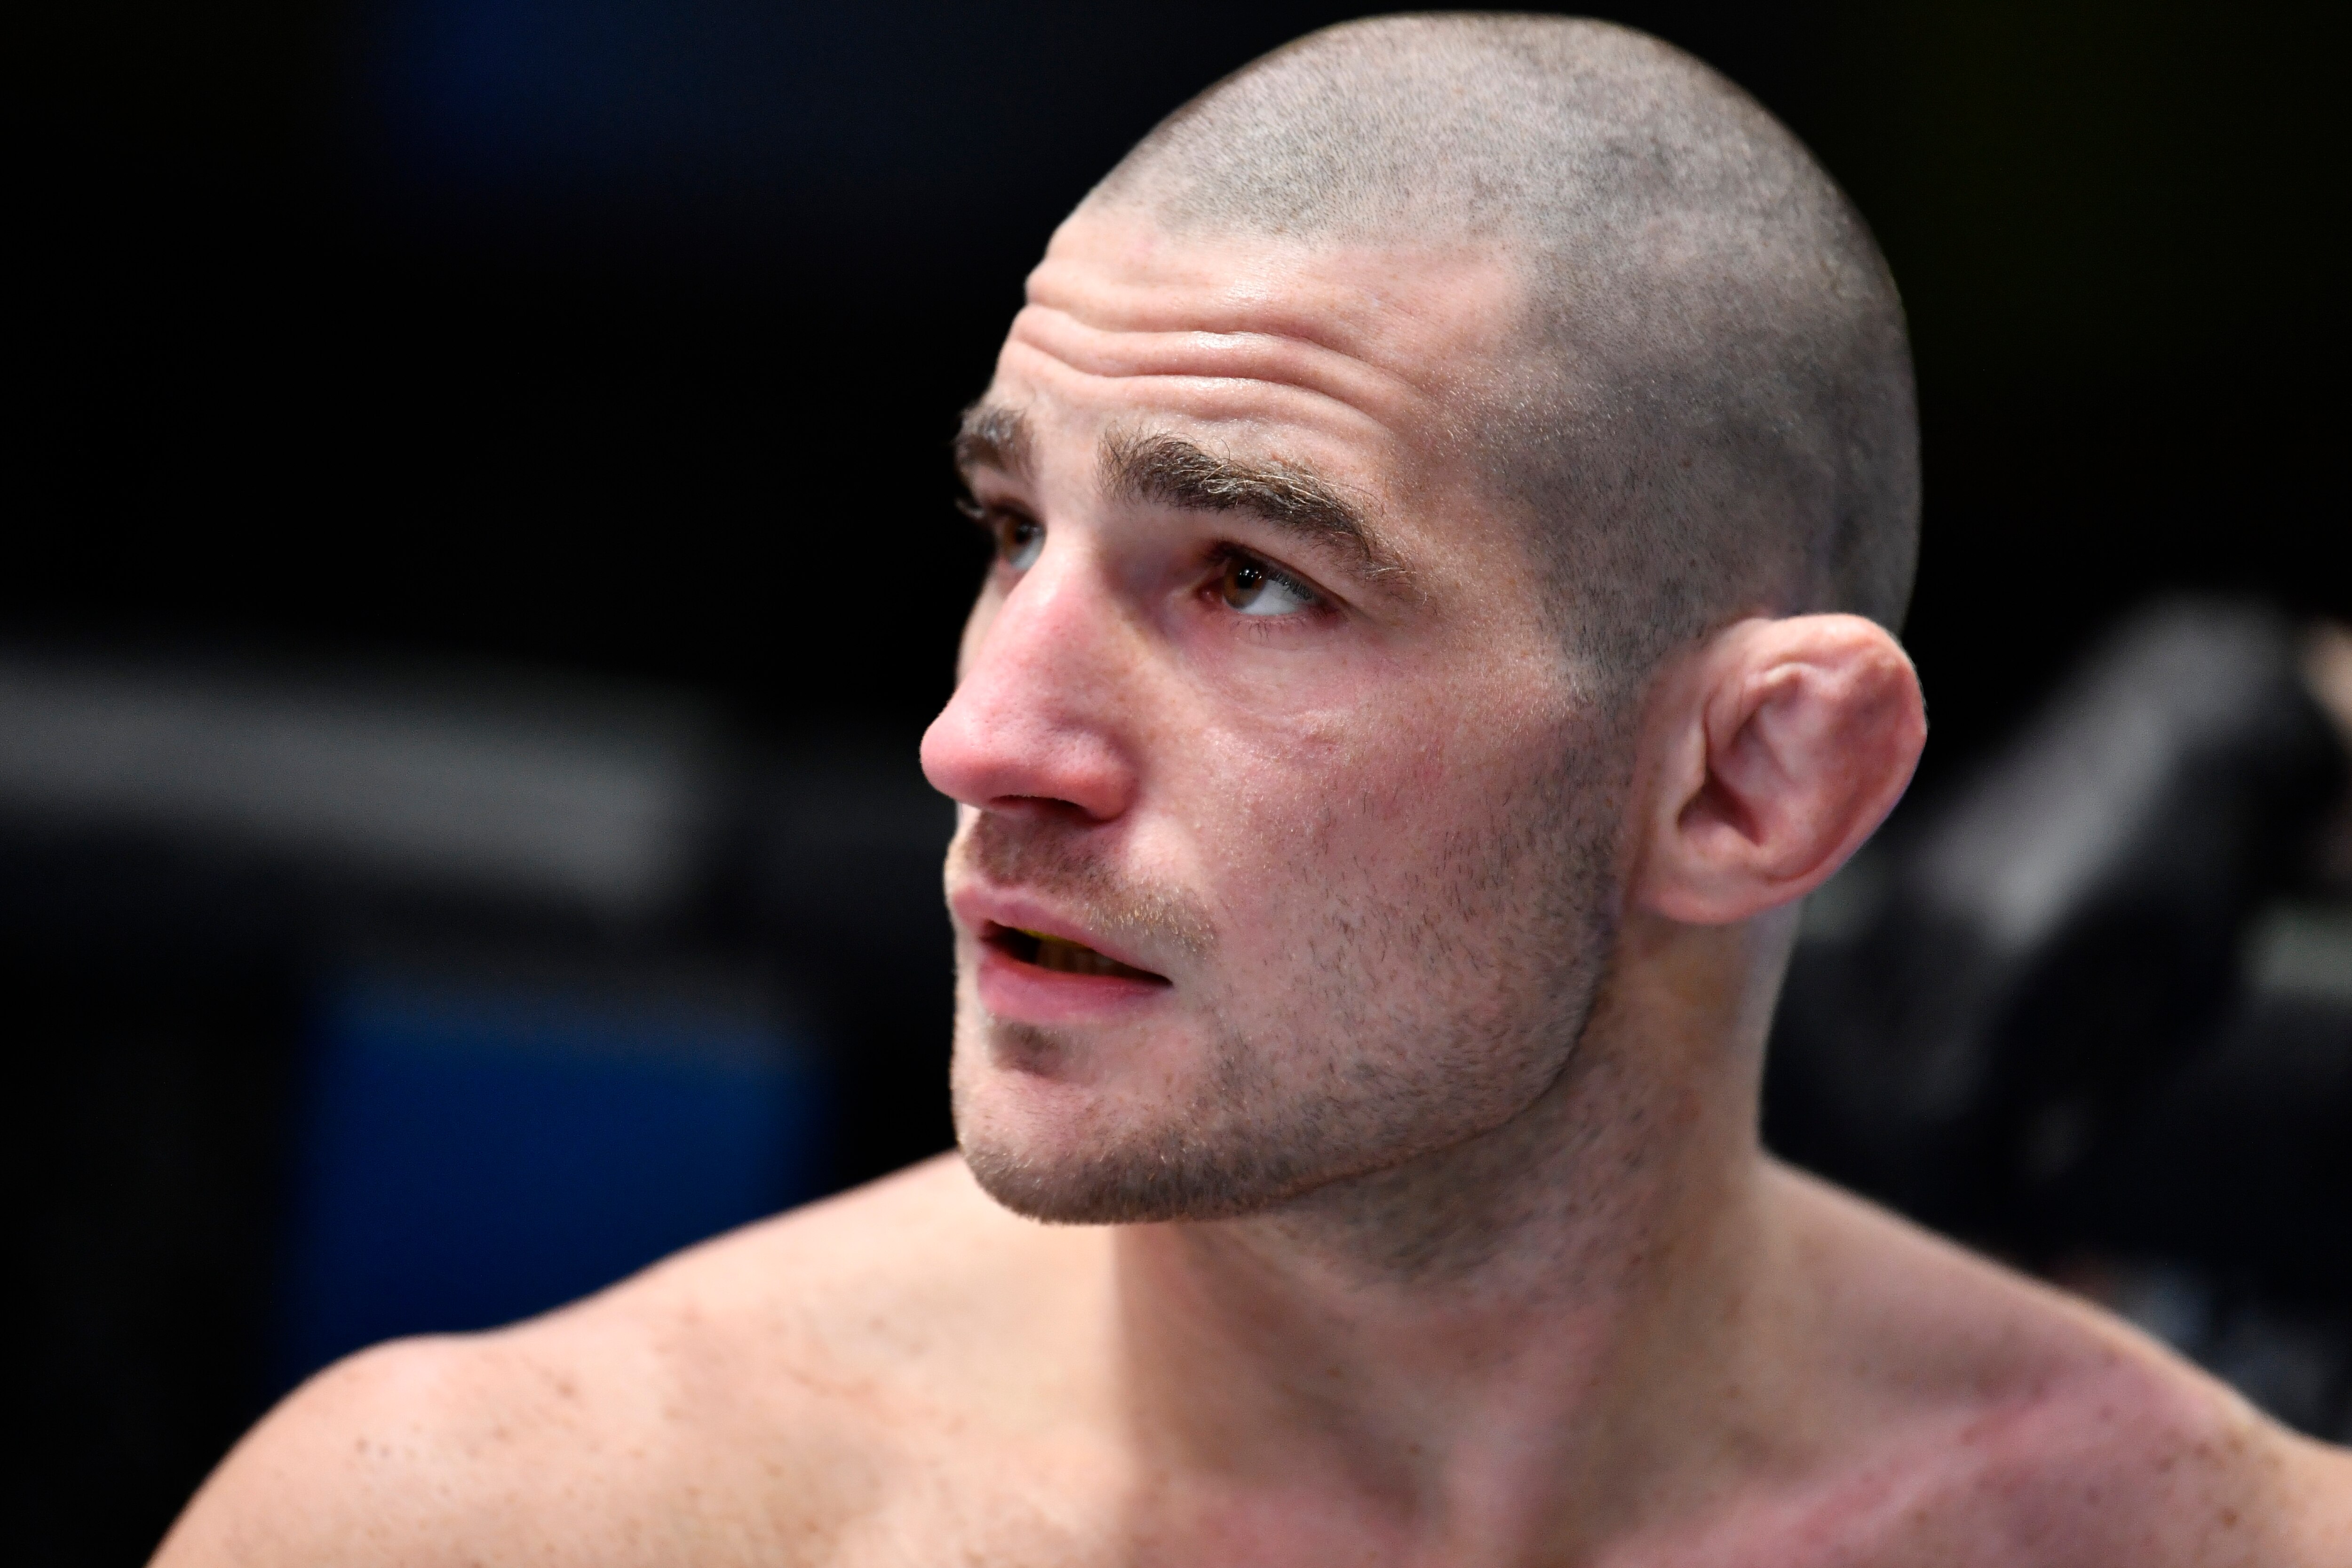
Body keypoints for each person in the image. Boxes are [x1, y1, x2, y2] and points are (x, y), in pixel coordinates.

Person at [155, 16, 2351, 1563]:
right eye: (1010, 530)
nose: (982, 741)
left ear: (1746, 784)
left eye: (1249, 580)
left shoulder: (2198, 1541)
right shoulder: (504, 1523)